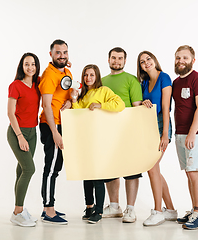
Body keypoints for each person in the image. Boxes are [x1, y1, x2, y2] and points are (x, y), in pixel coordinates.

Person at [71, 64, 125, 224]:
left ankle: (99, 211)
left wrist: (101, 105)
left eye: (91, 75)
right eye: (86, 75)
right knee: (86, 175)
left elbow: (120, 105)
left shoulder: (104, 91)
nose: (88, 78)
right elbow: (76, 114)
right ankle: (90, 207)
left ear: (97, 76)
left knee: (97, 175)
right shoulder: (83, 96)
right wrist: (74, 98)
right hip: (85, 140)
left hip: (100, 140)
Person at [101, 47, 143, 223]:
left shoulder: (131, 79)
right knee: (110, 169)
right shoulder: (101, 81)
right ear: (108, 60)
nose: (116, 61)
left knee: (131, 171)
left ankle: (131, 209)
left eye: (120, 58)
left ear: (125, 61)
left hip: (128, 132)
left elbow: (137, 107)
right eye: (113, 58)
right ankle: (114, 206)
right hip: (107, 132)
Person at [137, 51, 178, 226]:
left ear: (154, 60)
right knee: (155, 170)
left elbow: (166, 108)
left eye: (148, 59)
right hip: (148, 127)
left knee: (152, 167)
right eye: (142, 62)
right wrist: (144, 103)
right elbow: (140, 106)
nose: (146, 63)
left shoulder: (165, 78)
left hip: (162, 125)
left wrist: (165, 135)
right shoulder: (144, 83)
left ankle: (158, 211)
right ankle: (170, 210)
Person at [172, 45, 198, 230]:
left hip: (196, 133)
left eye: (185, 58)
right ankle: (194, 210)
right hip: (180, 133)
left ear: (193, 60)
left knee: (195, 172)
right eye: (178, 57)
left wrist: (192, 133)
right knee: (189, 172)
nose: (181, 61)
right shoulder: (176, 82)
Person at [38, 39, 72, 225]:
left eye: (65, 52)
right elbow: (46, 105)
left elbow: (70, 91)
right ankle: (48, 210)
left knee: (56, 166)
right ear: (51, 54)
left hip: (62, 124)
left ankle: (48, 206)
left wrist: (70, 102)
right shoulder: (49, 75)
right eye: (58, 52)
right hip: (51, 125)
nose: (62, 56)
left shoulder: (66, 72)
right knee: (50, 168)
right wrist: (55, 132)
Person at [7, 53, 41, 227]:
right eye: (26, 64)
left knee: (21, 170)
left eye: (33, 64)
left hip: (32, 132)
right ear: (21, 66)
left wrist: (67, 67)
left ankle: (19, 211)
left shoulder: (37, 84)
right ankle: (17, 212)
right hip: (17, 132)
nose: (30, 67)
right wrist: (20, 136)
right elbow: (10, 113)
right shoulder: (15, 85)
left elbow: (57, 79)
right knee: (29, 169)